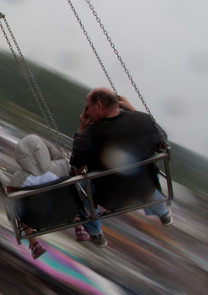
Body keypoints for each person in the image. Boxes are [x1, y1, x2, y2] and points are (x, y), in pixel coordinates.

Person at [69, 88, 172, 247]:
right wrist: (132, 110)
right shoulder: (143, 121)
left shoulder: (92, 134)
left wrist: (82, 128)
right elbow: (162, 137)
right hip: (144, 190)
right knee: (149, 161)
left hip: (110, 197)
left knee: (78, 186)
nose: (86, 112)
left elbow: (76, 163)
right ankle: (162, 212)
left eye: (88, 107)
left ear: (99, 106)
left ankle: (96, 233)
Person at [5, 134, 87, 259]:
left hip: (36, 220)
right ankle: (79, 228)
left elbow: (9, 193)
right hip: (68, 213)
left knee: (20, 212)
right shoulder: (60, 166)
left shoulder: (19, 178)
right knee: (71, 195)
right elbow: (70, 168)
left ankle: (34, 244)